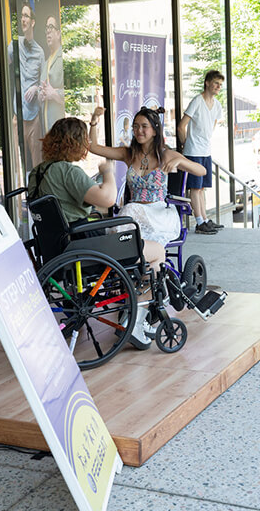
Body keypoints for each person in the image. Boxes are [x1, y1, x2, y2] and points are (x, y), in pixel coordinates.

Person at [89, 104, 206, 349]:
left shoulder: (167, 154)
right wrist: (94, 122)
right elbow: (93, 147)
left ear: (154, 130)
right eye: (136, 127)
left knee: (131, 228)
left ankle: (138, 314)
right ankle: (137, 313)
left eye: (144, 126)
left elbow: (201, 170)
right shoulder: (128, 153)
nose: (139, 131)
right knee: (137, 243)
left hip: (157, 213)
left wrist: (178, 164)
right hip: (135, 212)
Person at [177, 69, 225, 235]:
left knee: (202, 188)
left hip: (205, 150)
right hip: (193, 151)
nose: (218, 87)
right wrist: (186, 144)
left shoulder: (217, 105)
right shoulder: (197, 101)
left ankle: (204, 219)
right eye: (216, 83)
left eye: (220, 84)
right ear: (207, 83)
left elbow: (212, 125)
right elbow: (181, 126)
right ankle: (199, 221)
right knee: (195, 188)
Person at [8, 3, 45, 170]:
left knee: (36, 164)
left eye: (26, 16)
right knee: (16, 164)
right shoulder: (13, 46)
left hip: (33, 119)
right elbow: (5, 69)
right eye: (21, 16)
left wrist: (35, 88)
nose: (22, 19)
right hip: (18, 117)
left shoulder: (39, 52)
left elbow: (44, 84)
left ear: (33, 22)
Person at [38, 14, 65, 135]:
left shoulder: (63, 58)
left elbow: (75, 92)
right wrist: (40, 95)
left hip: (61, 129)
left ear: (58, 33)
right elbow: (42, 89)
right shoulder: (46, 62)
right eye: (46, 28)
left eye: (51, 27)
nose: (48, 31)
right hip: (46, 130)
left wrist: (54, 94)